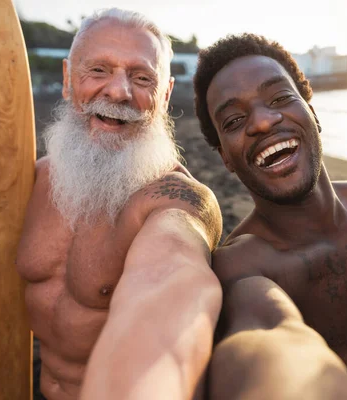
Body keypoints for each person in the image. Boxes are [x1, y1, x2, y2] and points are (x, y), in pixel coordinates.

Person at [192, 33, 347, 398]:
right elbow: (262, 335)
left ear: (313, 113)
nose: (262, 122)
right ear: (225, 157)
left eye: (281, 98)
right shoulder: (242, 267)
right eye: (235, 120)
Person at [16, 8, 222, 400]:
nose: (118, 91)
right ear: (66, 80)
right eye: (98, 71)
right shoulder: (36, 178)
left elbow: (174, 278)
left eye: (142, 78)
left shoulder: (175, 201)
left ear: (163, 96)